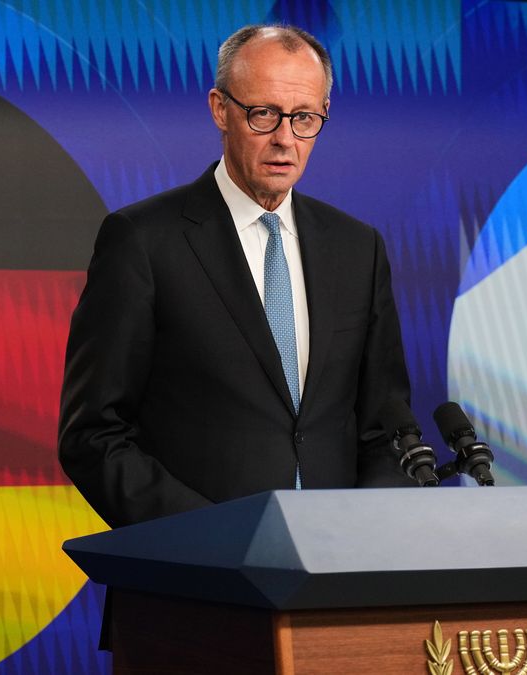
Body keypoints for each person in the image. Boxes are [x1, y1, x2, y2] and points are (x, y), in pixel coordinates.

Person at [59, 24, 414, 530]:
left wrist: (361, 530)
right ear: (220, 110)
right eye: (264, 114)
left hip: (331, 583)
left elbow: (387, 430)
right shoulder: (142, 240)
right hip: (195, 584)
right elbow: (93, 434)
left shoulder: (358, 249)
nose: (285, 139)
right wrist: (211, 540)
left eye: (305, 118)